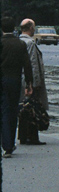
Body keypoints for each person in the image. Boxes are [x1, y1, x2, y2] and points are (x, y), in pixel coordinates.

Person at [1, 16, 34, 157]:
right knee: (13, 110)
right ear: (14, 28)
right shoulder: (20, 44)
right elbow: (27, 65)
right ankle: (10, 144)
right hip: (15, 80)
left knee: (3, 110)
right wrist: (29, 83)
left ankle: (6, 144)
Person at [17, 19, 47, 145]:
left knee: (23, 109)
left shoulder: (18, 41)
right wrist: (35, 83)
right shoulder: (30, 43)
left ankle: (23, 136)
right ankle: (32, 136)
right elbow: (33, 64)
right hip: (29, 81)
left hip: (20, 79)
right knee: (32, 109)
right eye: (34, 27)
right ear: (30, 28)